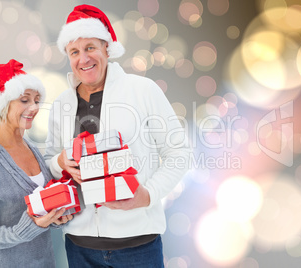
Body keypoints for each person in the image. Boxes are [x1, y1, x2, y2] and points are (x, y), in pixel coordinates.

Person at [44, 4, 191, 267]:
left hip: (138, 245)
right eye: (74, 51)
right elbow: (48, 161)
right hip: (80, 246)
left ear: (106, 48)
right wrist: (59, 162)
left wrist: (148, 194)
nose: (83, 59)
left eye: (90, 47)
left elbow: (178, 152)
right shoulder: (61, 104)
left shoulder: (143, 90)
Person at [0, 59, 72, 268]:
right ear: (4, 103)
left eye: (37, 100)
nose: (34, 107)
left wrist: (55, 218)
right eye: (24, 100)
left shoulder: (33, 149)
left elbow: (39, 210)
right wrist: (22, 230)